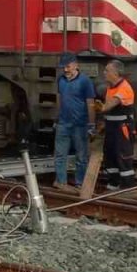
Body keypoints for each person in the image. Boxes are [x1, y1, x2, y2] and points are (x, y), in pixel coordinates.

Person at [52, 53, 97, 191]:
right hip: (63, 123)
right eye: (63, 67)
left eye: (68, 66)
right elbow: (59, 99)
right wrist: (57, 118)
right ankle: (61, 182)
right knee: (60, 154)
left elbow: (90, 103)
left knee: (81, 156)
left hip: (80, 124)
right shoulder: (61, 80)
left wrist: (91, 124)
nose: (65, 70)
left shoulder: (85, 81)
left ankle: (80, 183)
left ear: (76, 65)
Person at [98, 59, 137, 189]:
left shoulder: (124, 88)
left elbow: (109, 105)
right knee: (110, 155)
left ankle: (127, 186)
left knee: (123, 156)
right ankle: (113, 183)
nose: (104, 73)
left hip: (122, 128)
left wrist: (98, 107)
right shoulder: (111, 87)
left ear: (115, 73)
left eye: (107, 71)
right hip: (111, 127)